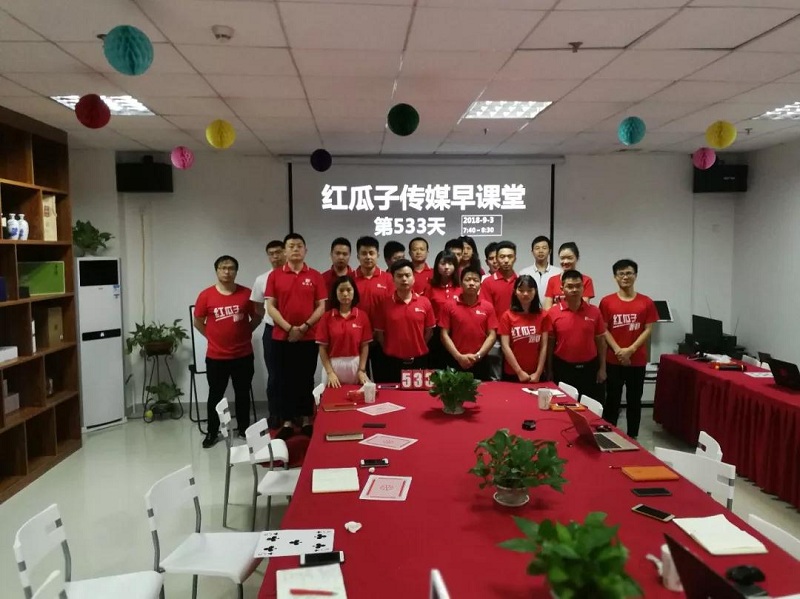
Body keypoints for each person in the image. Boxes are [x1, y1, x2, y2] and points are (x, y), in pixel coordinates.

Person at [194, 255, 260, 448]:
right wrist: (212, 337)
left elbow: (256, 317)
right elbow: (198, 321)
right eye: (223, 268)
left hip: (243, 355)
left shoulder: (246, 294)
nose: (227, 271)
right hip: (216, 357)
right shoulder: (206, 295)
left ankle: (244, 429)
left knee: (242, 393)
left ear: (236, 271)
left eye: (231, 268)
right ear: (217, 271)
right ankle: (212, 432)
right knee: (215, 395)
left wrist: (246, 332)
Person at [266, 233, 327, 439]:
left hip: (308, 337)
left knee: (305, 379)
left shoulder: (315, 276)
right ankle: (287, 422)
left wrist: (304, 327)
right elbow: (270, 307)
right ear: (285, 251)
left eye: (299, 246)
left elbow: (321, 306)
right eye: (291, 246)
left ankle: (307, 419)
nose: (295, 249)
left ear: (305, 250)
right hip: (281, 337)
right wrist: (289, 328)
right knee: (284, 380)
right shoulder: (275, 276)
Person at [599, 259, 658, 439]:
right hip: (613, 360)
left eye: (629, 273)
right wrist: (618, 350)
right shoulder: (607, 302)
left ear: (635, 275)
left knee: (634, 400)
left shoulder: (646, 302)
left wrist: (630, 350)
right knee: (612, 400)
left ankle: (633, 437)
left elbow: (648, 329)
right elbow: (604, 329)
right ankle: (609, 436)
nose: (625, 277)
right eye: (621, 274)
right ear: (615, 277)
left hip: (636, 360)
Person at [544, 270, 607, 400]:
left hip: (590, 367)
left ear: (583, 288)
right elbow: (549, 345)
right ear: (562, 289)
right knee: (563, 404)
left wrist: (602, 368)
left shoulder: (594, 312)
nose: (574, 290)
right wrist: (549, 370)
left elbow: (601, 342)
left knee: (591, 406)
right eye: (570, 286)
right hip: (563, 367)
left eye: (578, 286)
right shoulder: (553, 313)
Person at [373, 259, 435, 382]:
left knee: (418, 394)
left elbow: (429, 332)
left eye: (407, 275)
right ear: (393, 279)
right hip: (391, 362)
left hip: (419, 361)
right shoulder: (384, 304)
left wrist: (418, 346)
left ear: (414, 278)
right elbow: (380, 335)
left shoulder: (425, 302)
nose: (404, 279)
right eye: (399, 276)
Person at [250, 240, 285, 429]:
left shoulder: (294, 276)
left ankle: (294, 413)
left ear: (286, 253)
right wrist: (272, 318)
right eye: (271, 253)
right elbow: (257, 307)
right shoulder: (261, 279)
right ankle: (275, 413)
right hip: (272, 330)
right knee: (274, 375)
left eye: (278, 252)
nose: (275, 257)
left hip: (295, 331)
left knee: (294, 374)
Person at [439, 267, 497, 381]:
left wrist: (478, 356)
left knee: (484, 391)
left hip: (480, 361)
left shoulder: (488, 307)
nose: (471, 283)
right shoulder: (449, 305)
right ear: (461, 283)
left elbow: (492, 335)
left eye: (475, 280)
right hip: (455, 360)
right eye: (467, 279)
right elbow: (444, 334)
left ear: (480, 284)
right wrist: (458, 357)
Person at [317, 276, 372, 388]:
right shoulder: (327, 317)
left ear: (354, 292)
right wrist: (330, 372)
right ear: (335, 293)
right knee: (332, 397)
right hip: (333, 367)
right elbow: (322, 348)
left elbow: (364, 346)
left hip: (355, 365)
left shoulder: (362, 316)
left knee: (358, 396)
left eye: (348, 290)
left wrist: (361, 370)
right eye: (341, 290)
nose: (345, 294)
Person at [353, 236, 393, 381]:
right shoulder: (350, 279)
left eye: (371, 253)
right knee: (360, 381)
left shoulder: (388, 278)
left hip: (382, 338)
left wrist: (380, 331)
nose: (368, 257)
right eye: (364, 253)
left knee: (383, 379)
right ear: (358, 256)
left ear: (378, 255)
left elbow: (392, 308)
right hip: (357, 338)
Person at [499, 275, 549, 383]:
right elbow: (505, 346)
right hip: (512, 373)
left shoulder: (543, 315)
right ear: (515, 292)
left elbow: (544, 346)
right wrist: (519, 372)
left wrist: (538, 373)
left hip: (536, 373)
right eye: (521, 290)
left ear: (535, 291)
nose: (525, 294)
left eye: (529, 290)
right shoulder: (507, 316)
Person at [423, 251, 460, 369]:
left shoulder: (460, 287)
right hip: (436, 333)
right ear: (437, 266)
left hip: (456, 331)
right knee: (436, 366)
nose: (446, 267)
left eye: (450, 264)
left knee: (455, 365)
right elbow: (425, 311)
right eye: (443, 264)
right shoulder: (430, 287)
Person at [543, 241, 595, 309]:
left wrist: (557, 307)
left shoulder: (586, 280)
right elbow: (547, 308)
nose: (565, 261)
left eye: (569, 258)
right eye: (562, 258)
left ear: (577, 258)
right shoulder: (552, 280)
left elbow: (583, 307)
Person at [520, 235, 561, 307]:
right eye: (537, 248)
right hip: (530, 312)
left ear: (550, 251)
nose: (541, 251)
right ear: (532, 252)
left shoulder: (558, 272)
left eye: (544, 248)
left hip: (552, 311)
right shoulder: (524, 273)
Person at [481, 240, 518, 316]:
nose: (506, 260)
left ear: (515, 259)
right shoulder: (487, 282)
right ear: (497, 259)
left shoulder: (520, 281)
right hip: (495, 324)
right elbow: (486, 311)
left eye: (510, 256)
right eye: (502, 257)